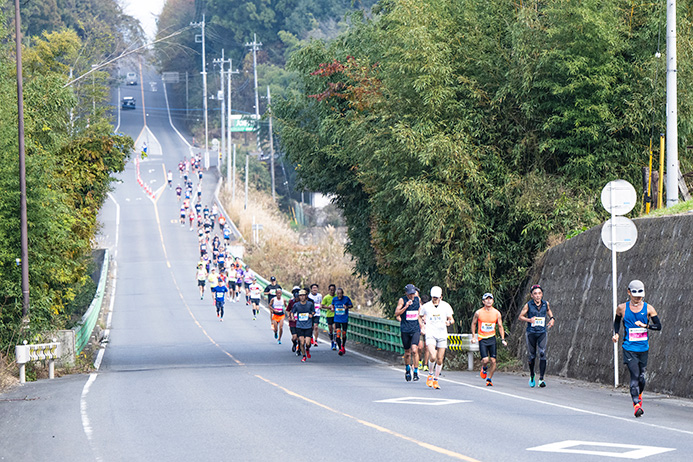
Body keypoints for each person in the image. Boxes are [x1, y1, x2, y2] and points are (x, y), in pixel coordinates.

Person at [612, 280, 661, 418]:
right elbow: (616, 322)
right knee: (634, 375)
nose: (638, 298)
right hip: (629, 348)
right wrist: (616, 334)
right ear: (629, 292)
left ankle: (639, 395)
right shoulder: (622, 308)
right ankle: (636, 406)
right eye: (635, 295)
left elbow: (659, 326)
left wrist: (646, 326)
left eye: (640, 295)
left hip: (643, 348)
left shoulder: (649, 308)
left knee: (642, 377)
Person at [518, 284, 555, 388]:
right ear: (531, 295)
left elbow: (548, 311)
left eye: (539, 293)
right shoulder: (528, 305)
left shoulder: (545, 304)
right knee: (532, 356)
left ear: (542, 294)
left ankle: (541, 379)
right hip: (531, 332)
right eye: (535, 294)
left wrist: (552, 318)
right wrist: (529, 320)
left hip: (542, 332)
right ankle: (532, 375)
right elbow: (520, 316)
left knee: (542, 353)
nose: (537, 295)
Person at [419, 286, 454, 389]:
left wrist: (449, 322)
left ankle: (436, 379)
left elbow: (452, 319)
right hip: (431, 333)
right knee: (433, 355)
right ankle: (430, 374)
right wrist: (422, 326)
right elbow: (420, 316)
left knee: (439, 359)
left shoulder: (446, 306)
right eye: (434, 297)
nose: (435, 299)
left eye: (437, 297)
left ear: (441, 297)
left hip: (442, 334)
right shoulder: (426, 306)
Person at [471, 293, 507, 387]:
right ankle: (484, 367)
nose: (488, 301)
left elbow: (500, 326)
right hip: (482, 338)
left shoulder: (496, 313)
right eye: (486, 299)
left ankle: (489, 379)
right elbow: (474, 324)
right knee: (485, 360)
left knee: (493, 361)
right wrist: (473, 336)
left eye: (490, 299)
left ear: (493, 301)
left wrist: (503, 339)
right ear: (483, 301)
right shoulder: (478, 312)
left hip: (492, 338)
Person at [395, 284, 422, 382]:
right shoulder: (402, 300)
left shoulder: (417, 300)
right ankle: (407, 369)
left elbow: (420, 312)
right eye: (410, 293)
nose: (412, 295)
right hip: (405, 329)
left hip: (415, 329)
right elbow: (397, 313)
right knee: (407, 353)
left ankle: (415, 371)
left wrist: (422, 324)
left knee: (415, 349)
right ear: (406, 293)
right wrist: (405, 307)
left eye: (413, 293)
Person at [292, 289, 316, 362]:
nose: (302, 297)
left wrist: (311, 315)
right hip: (299, 326)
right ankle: (304, 356)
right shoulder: (296, 305)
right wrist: (292, 317)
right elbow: (292, 312)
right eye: (300, 296)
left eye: (303, 295)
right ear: (299, 297)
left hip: (308, 326)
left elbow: (314, 312)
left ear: (306, 296)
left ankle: (307, 349)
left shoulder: (310, 304)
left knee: (308, 343)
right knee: (302, 342)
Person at [332, 288, 353, 356]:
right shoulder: (334, 299)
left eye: (340, 293)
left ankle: (343, 345)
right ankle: (340, 349)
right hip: (337, 319)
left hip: (344, 319)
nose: (339, 295)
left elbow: (351, 305)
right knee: (338, 334)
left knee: (344, 334)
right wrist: (332, 308)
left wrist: (347, 307)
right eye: (338, 293)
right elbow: (332, 305)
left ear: (342, 293)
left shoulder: (346, 298)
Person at [322, 284, 337, 350]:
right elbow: (322, 305)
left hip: (336, 315)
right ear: (328, 290)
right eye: (331, 290)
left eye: (333, 290)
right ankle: (332, 341)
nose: (332, 291)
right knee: (330, 329)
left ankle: (335, 343)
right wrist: (329, 307)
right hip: (329, 315)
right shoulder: (326, 297)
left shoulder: (337, 296)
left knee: (335, 329)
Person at [287, 287, 301, 354]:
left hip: (300, 321)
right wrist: (289, 316)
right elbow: (288, 310)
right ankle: (294, 344)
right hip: (293, 322)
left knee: (300, 338)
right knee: (294, 337)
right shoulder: (291, 302)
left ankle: (299, 349)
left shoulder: (303, 302)